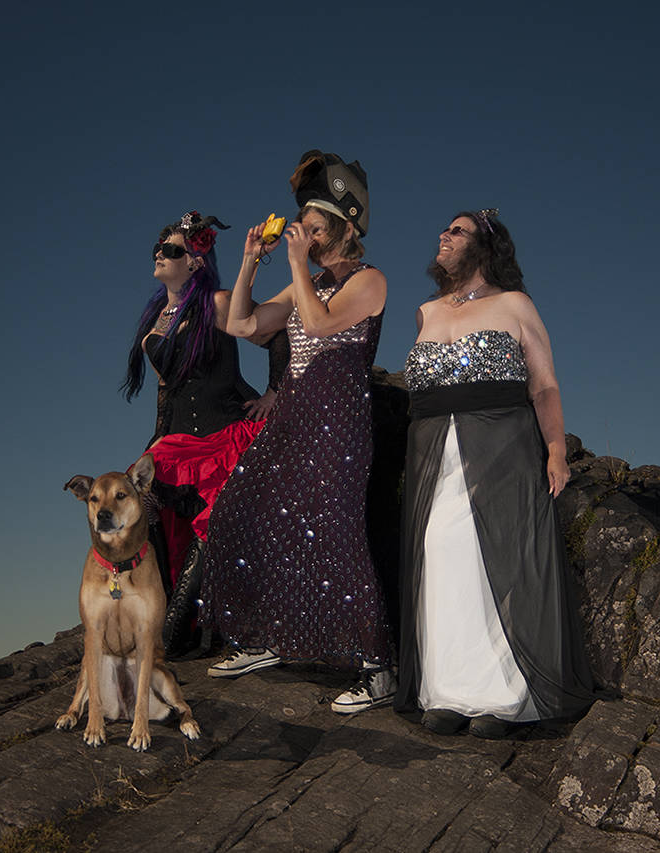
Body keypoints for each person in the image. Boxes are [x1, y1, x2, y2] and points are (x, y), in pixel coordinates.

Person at [198, 150, 396, 714]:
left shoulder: (370, 280)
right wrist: (248, 263)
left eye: (313, 225)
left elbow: (317, 323)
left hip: (339, 421)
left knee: (334, 535)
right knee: (243, 508)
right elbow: (240, 324)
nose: (303, 233)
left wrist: (294, 266)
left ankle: (376, 666)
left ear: (343, 227)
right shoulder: (303, 281)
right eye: (301, 225)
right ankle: (264, 637)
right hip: (294, 418)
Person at [393, 209, 602, 738]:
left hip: (503, 448)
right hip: (433, 454)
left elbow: (545, 385)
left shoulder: (515, 305)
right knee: (440, 553)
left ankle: (502, 699)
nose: (443, 234)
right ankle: (445, 692)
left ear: (484, 247)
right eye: (443, 228)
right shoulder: (425, 312)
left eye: (457, 230)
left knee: (497, 558)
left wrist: (555, 450)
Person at [120, 210, 287, 655]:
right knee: (138, 504)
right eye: (158, 248)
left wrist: (273, 392)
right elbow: (166, 392)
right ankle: (167, 612)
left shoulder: (215, 303)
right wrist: (153, 447)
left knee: (209, 521)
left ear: (194, 261)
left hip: (227, 432)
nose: (160, 254)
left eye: (171, 250)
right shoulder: (156, 318)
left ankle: (176, 629)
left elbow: (276, 336)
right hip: (180, 440)